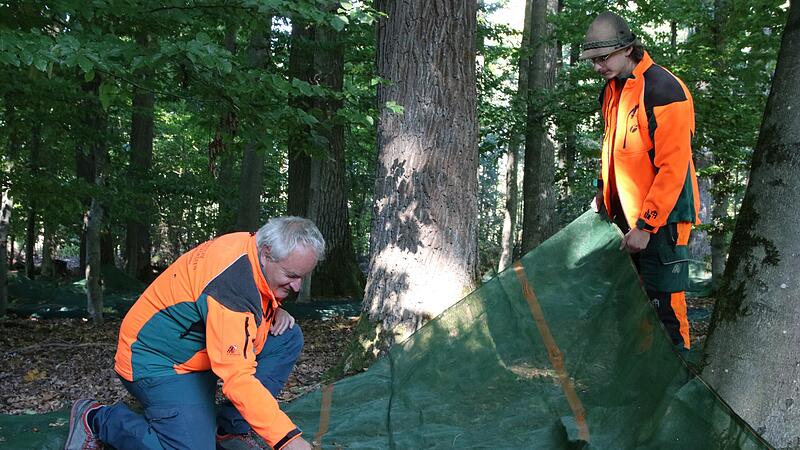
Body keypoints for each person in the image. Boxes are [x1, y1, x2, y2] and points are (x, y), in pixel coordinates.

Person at [65, 216, 325, 450]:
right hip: (156, 360)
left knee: (286, 337)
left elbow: (252, 300)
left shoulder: (252, 247)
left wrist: (273, 307)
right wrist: (287, 439)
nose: (298, 286)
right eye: (291, 275)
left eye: (303, 276)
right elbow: (237, 378)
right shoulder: (230, 286)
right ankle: (98, 419)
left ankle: (231, 429)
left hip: (198, 351)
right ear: (267, 253)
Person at [581, 12, 700, 351]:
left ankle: (677, 396)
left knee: (665, 313)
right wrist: (604, 195)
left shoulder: (664, 90)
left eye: (603, 58)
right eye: (593, 60)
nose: (597, 67)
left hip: (662, 223)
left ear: (627, 48)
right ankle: (639, 396)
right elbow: (614, 150)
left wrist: (646, 226)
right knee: (631, 312)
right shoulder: (613, 90)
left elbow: (673, 168)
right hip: (626, 222)